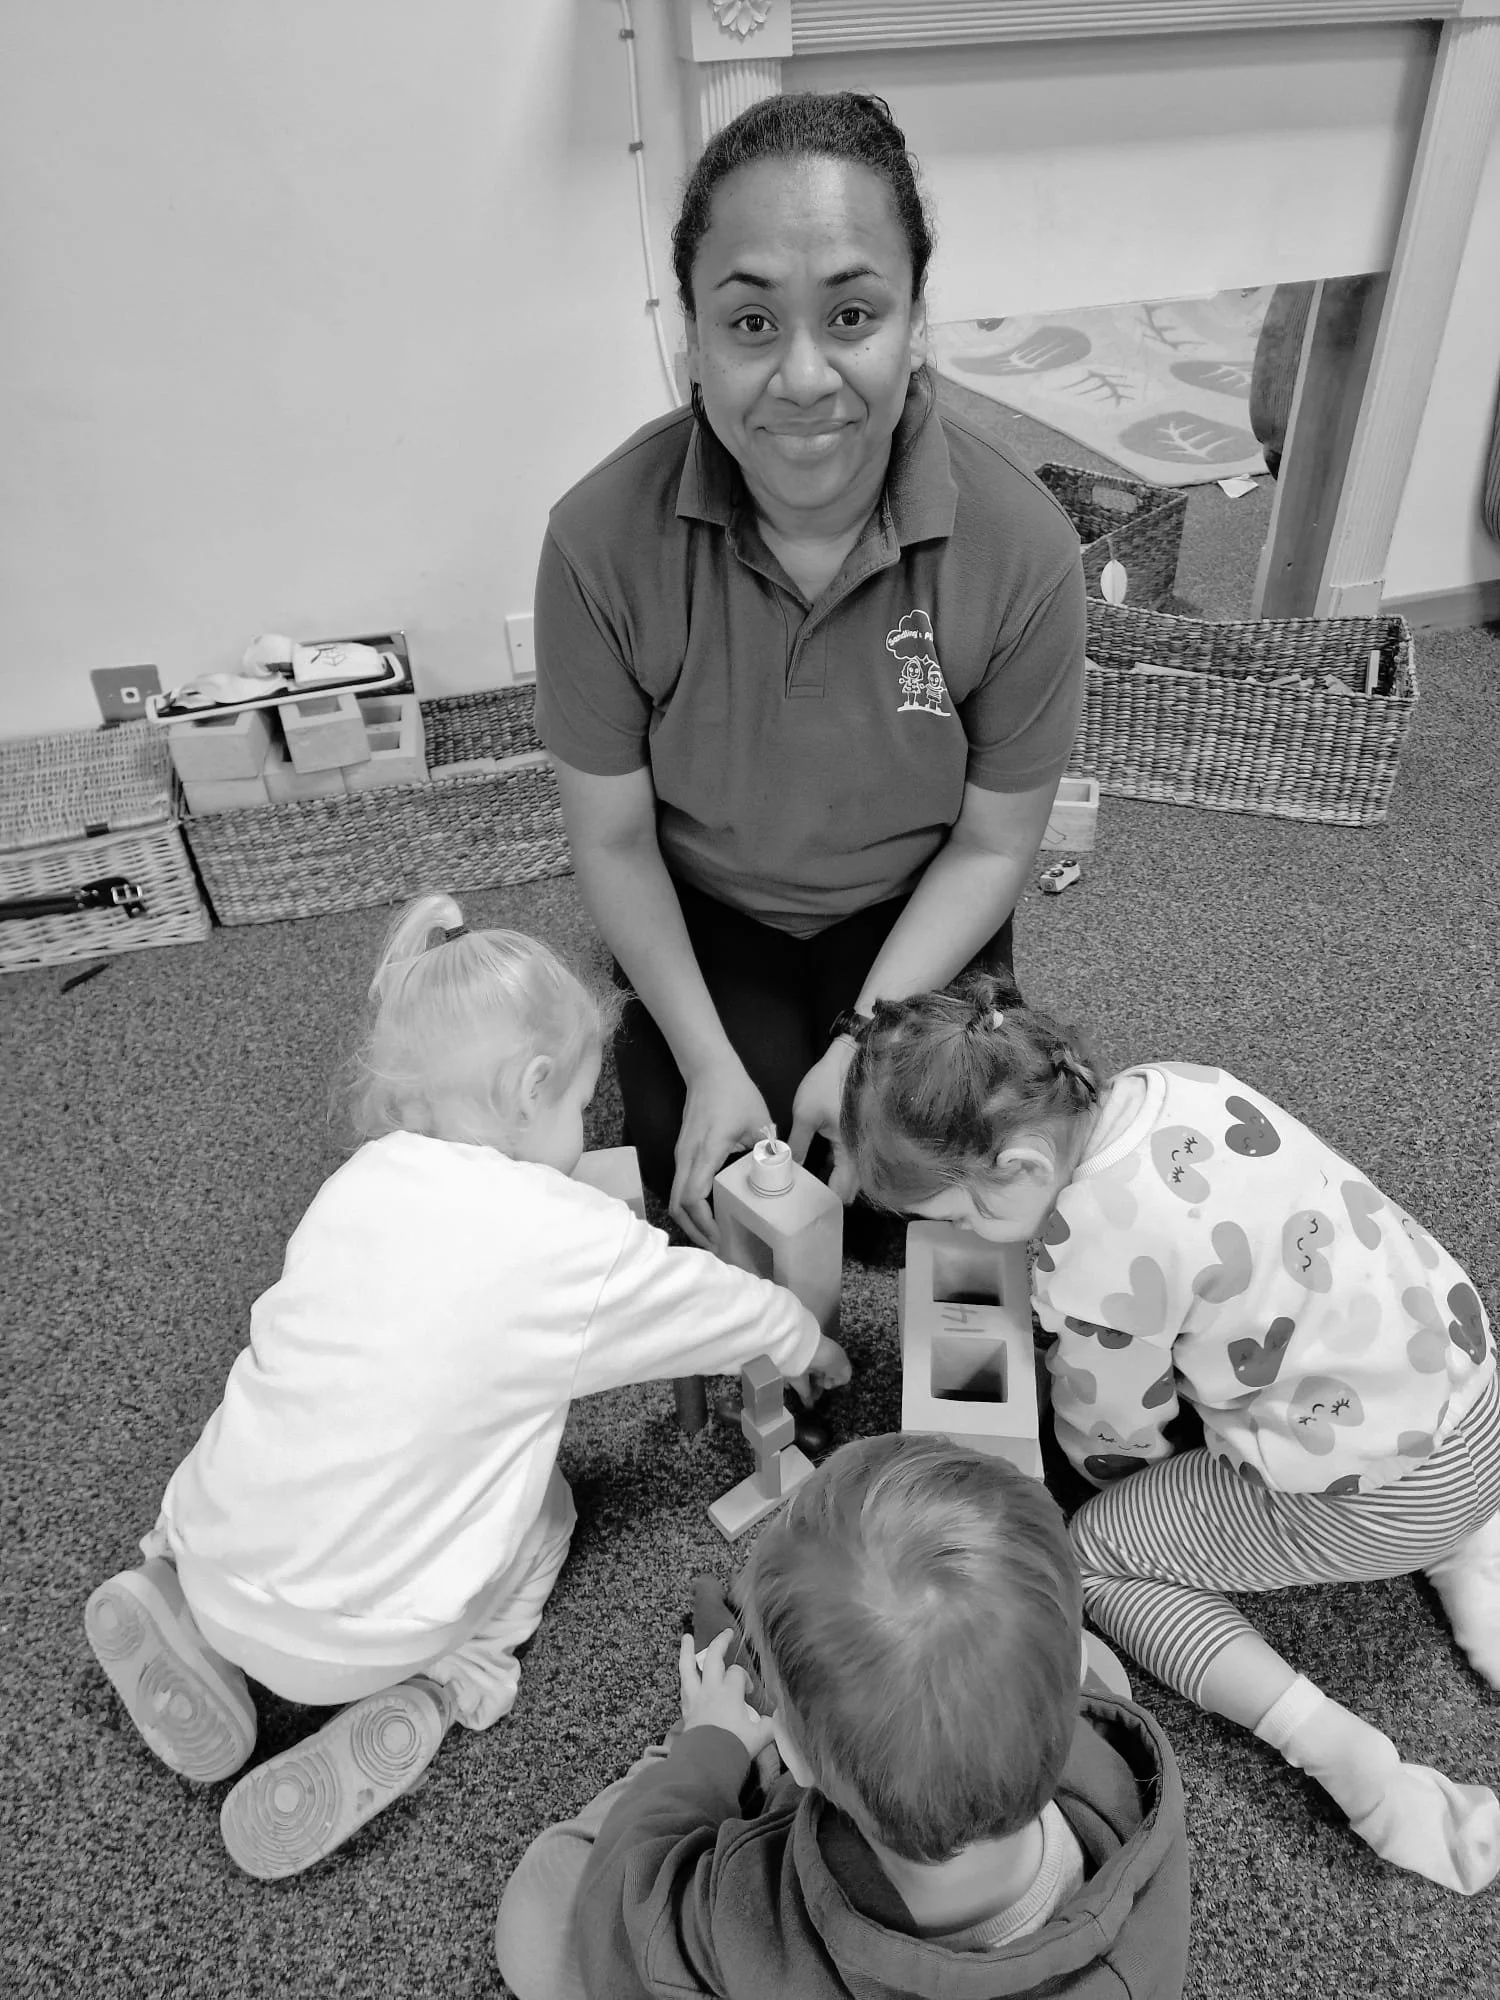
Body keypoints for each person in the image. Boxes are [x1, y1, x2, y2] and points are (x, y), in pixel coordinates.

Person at [83, 893, 848, 1881]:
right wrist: (803, 1338)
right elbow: (712, 1305)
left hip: (212, 1550)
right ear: (533, 1087)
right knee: (550, 1511)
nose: (582, 1125)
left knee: (274, 1409)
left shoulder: (357, 1183)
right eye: (579, 1105)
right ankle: (452, 1680)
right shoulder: (574, 1245)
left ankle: (173, 1592)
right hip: (368, 1640)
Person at [533, 90, 1086, 1246]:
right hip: (711, 903)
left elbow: (994, 843)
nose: (802, 377)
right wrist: (706, 1058)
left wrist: (866, 1035)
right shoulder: (596, 540)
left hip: (913, 903)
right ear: (691, 338)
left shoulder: (1022, 546)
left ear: (916, 321)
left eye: (851, 314)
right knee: (718, 1182)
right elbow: (614, 839)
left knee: (905, 1193)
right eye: (749, 322)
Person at [839, 970, 1500, 1893]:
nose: (962, 1236)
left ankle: (1343, 1751)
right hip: (1469, 1393)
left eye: (955, 1216)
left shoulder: (1091, 1248)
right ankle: (1467, 1543)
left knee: (1095, 1557)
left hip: (1377, 1500)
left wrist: (1105, 1470)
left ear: (1021, 1168)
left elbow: (1113, 1433)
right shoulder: (1177, 1084)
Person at [494, 1433, 1189, 2000]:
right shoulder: (1129, 1794)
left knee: (539, 1917)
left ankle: (715, 1722)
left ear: (792, 1756)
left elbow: (633, 1924)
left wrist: (707, 1748)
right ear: (1074, 1672)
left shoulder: (751, 1915)